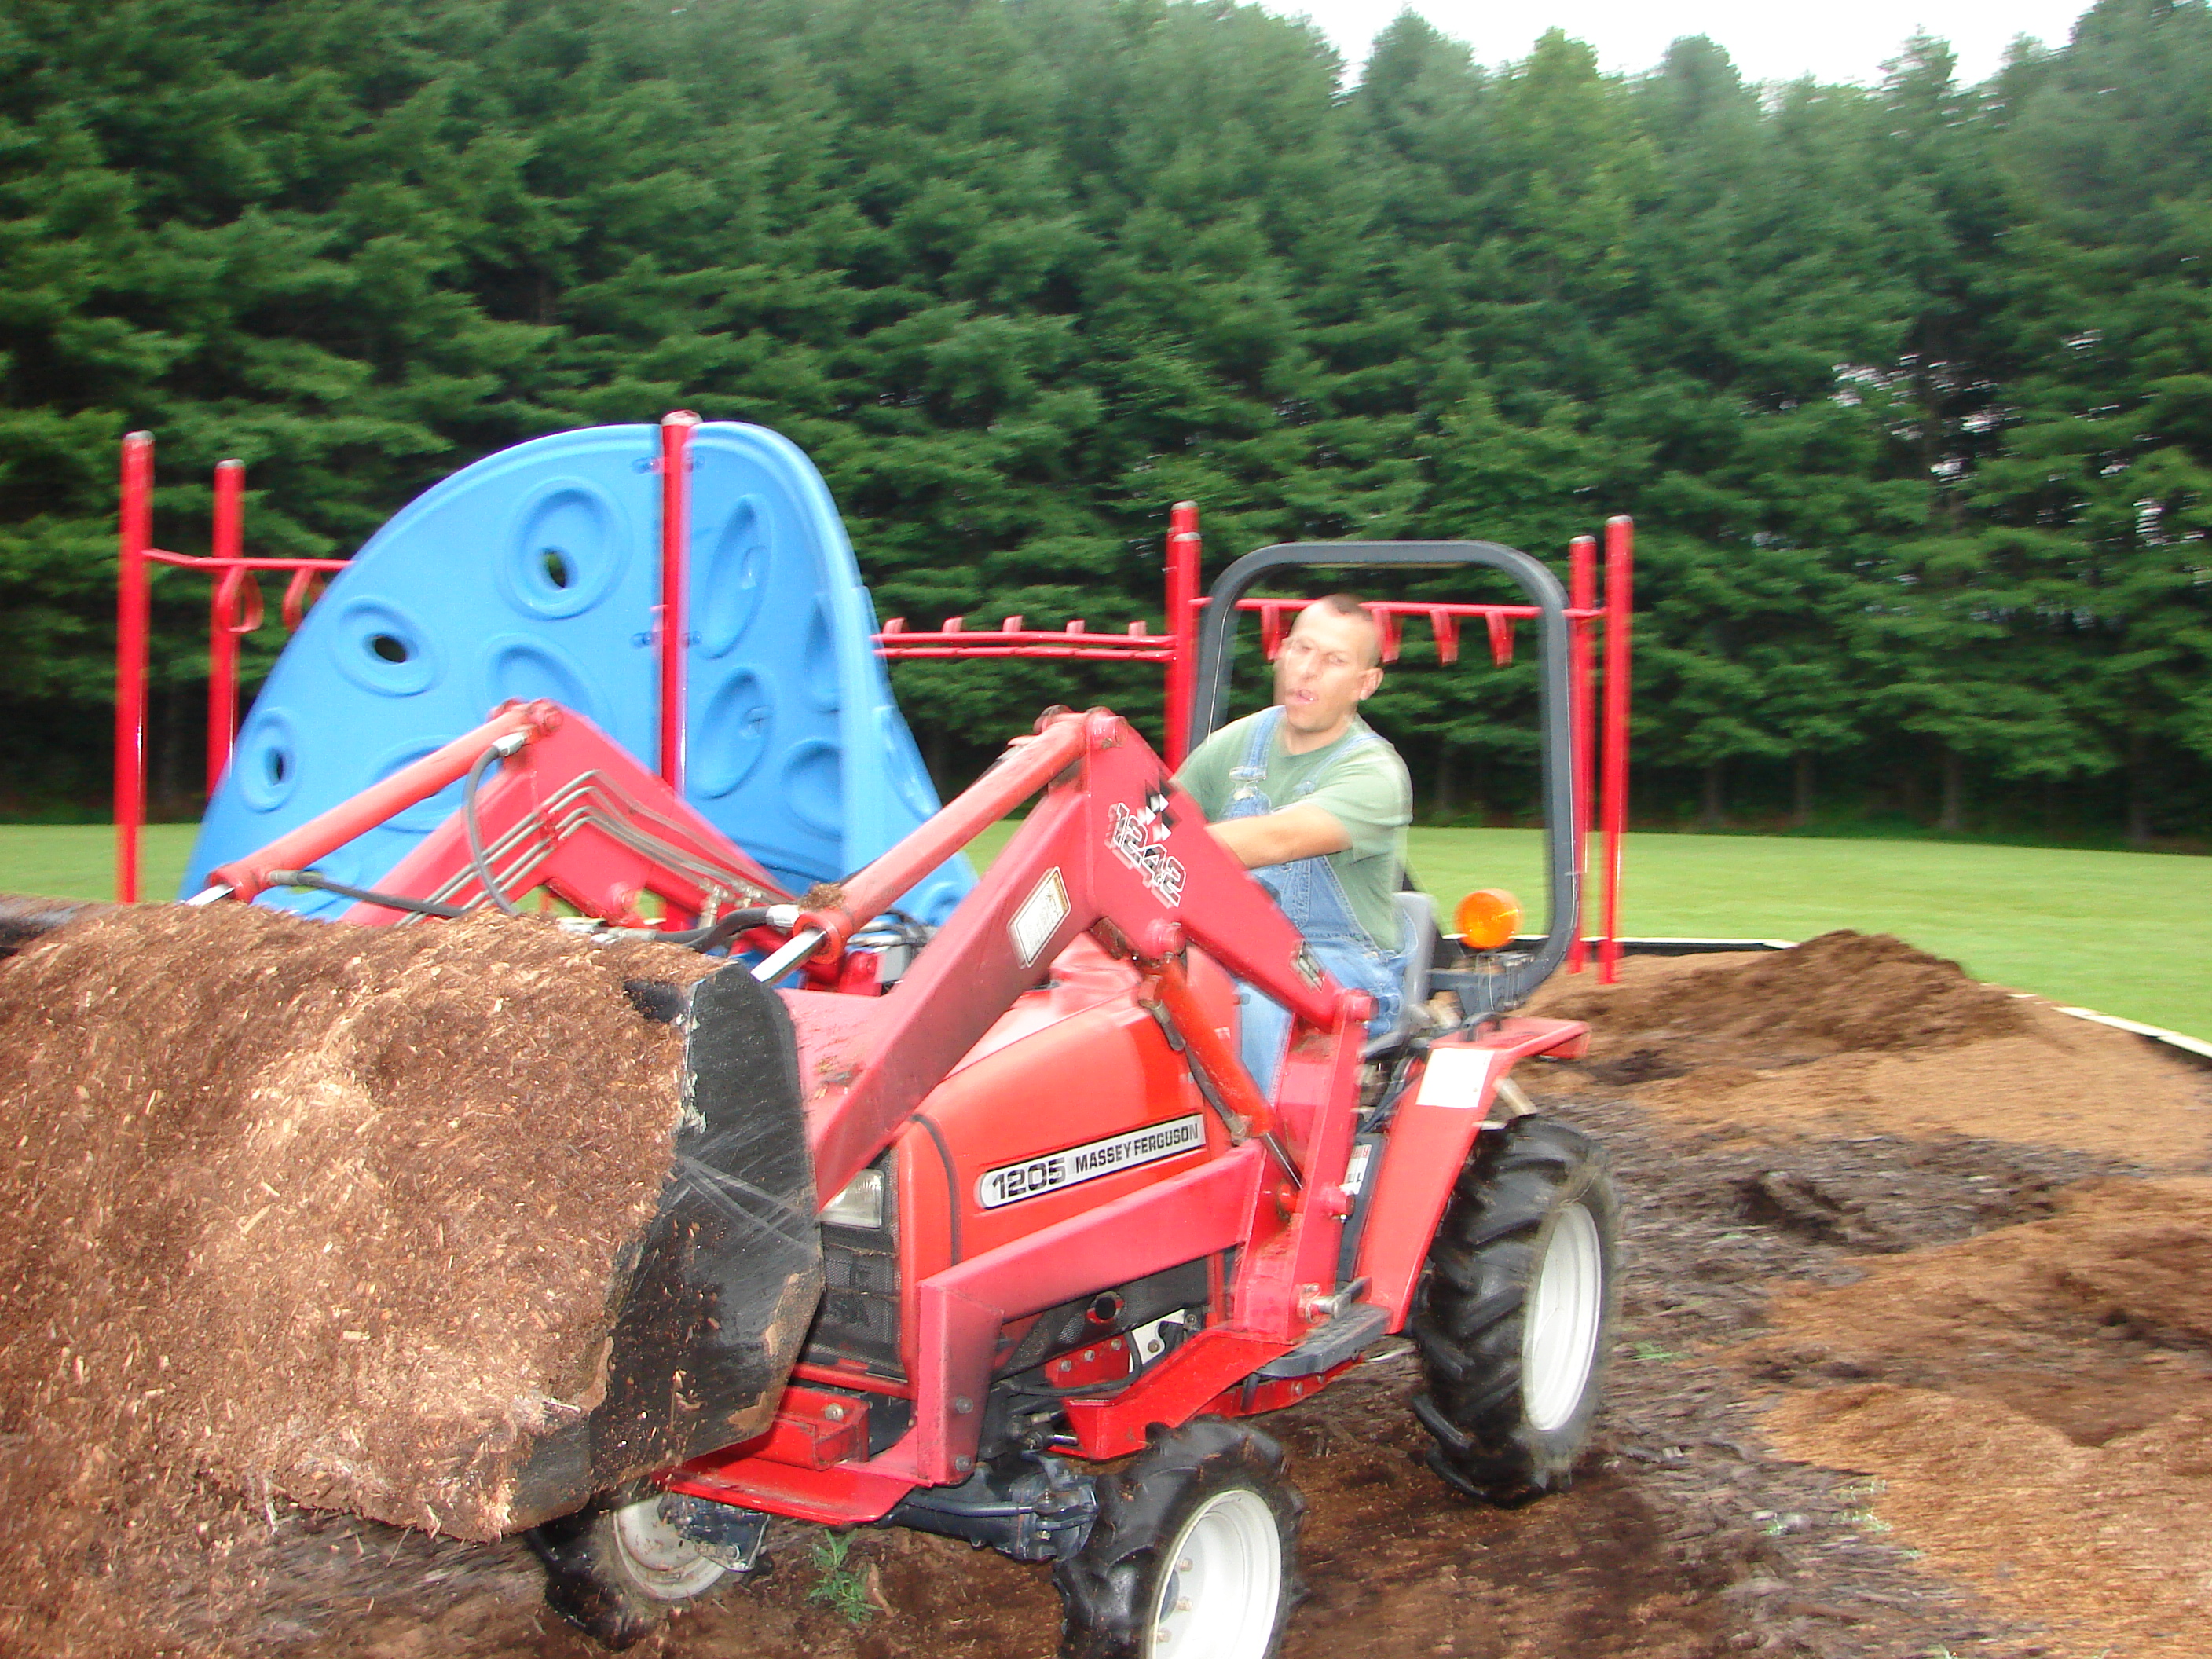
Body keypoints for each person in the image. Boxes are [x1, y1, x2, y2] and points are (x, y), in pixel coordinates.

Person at [1174, 595, 1412, 1091]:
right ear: (1280, 654)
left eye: (1335, 660)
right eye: (1302, 649)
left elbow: (1276, 840)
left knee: (1254, 998)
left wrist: (1151, 841)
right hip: (1235, 946)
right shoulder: (1237, 744)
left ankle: (1253, 1135)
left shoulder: (1375, 774)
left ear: (1366, 684)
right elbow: (1164, 814)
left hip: (1341, 960)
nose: (1309, 670)